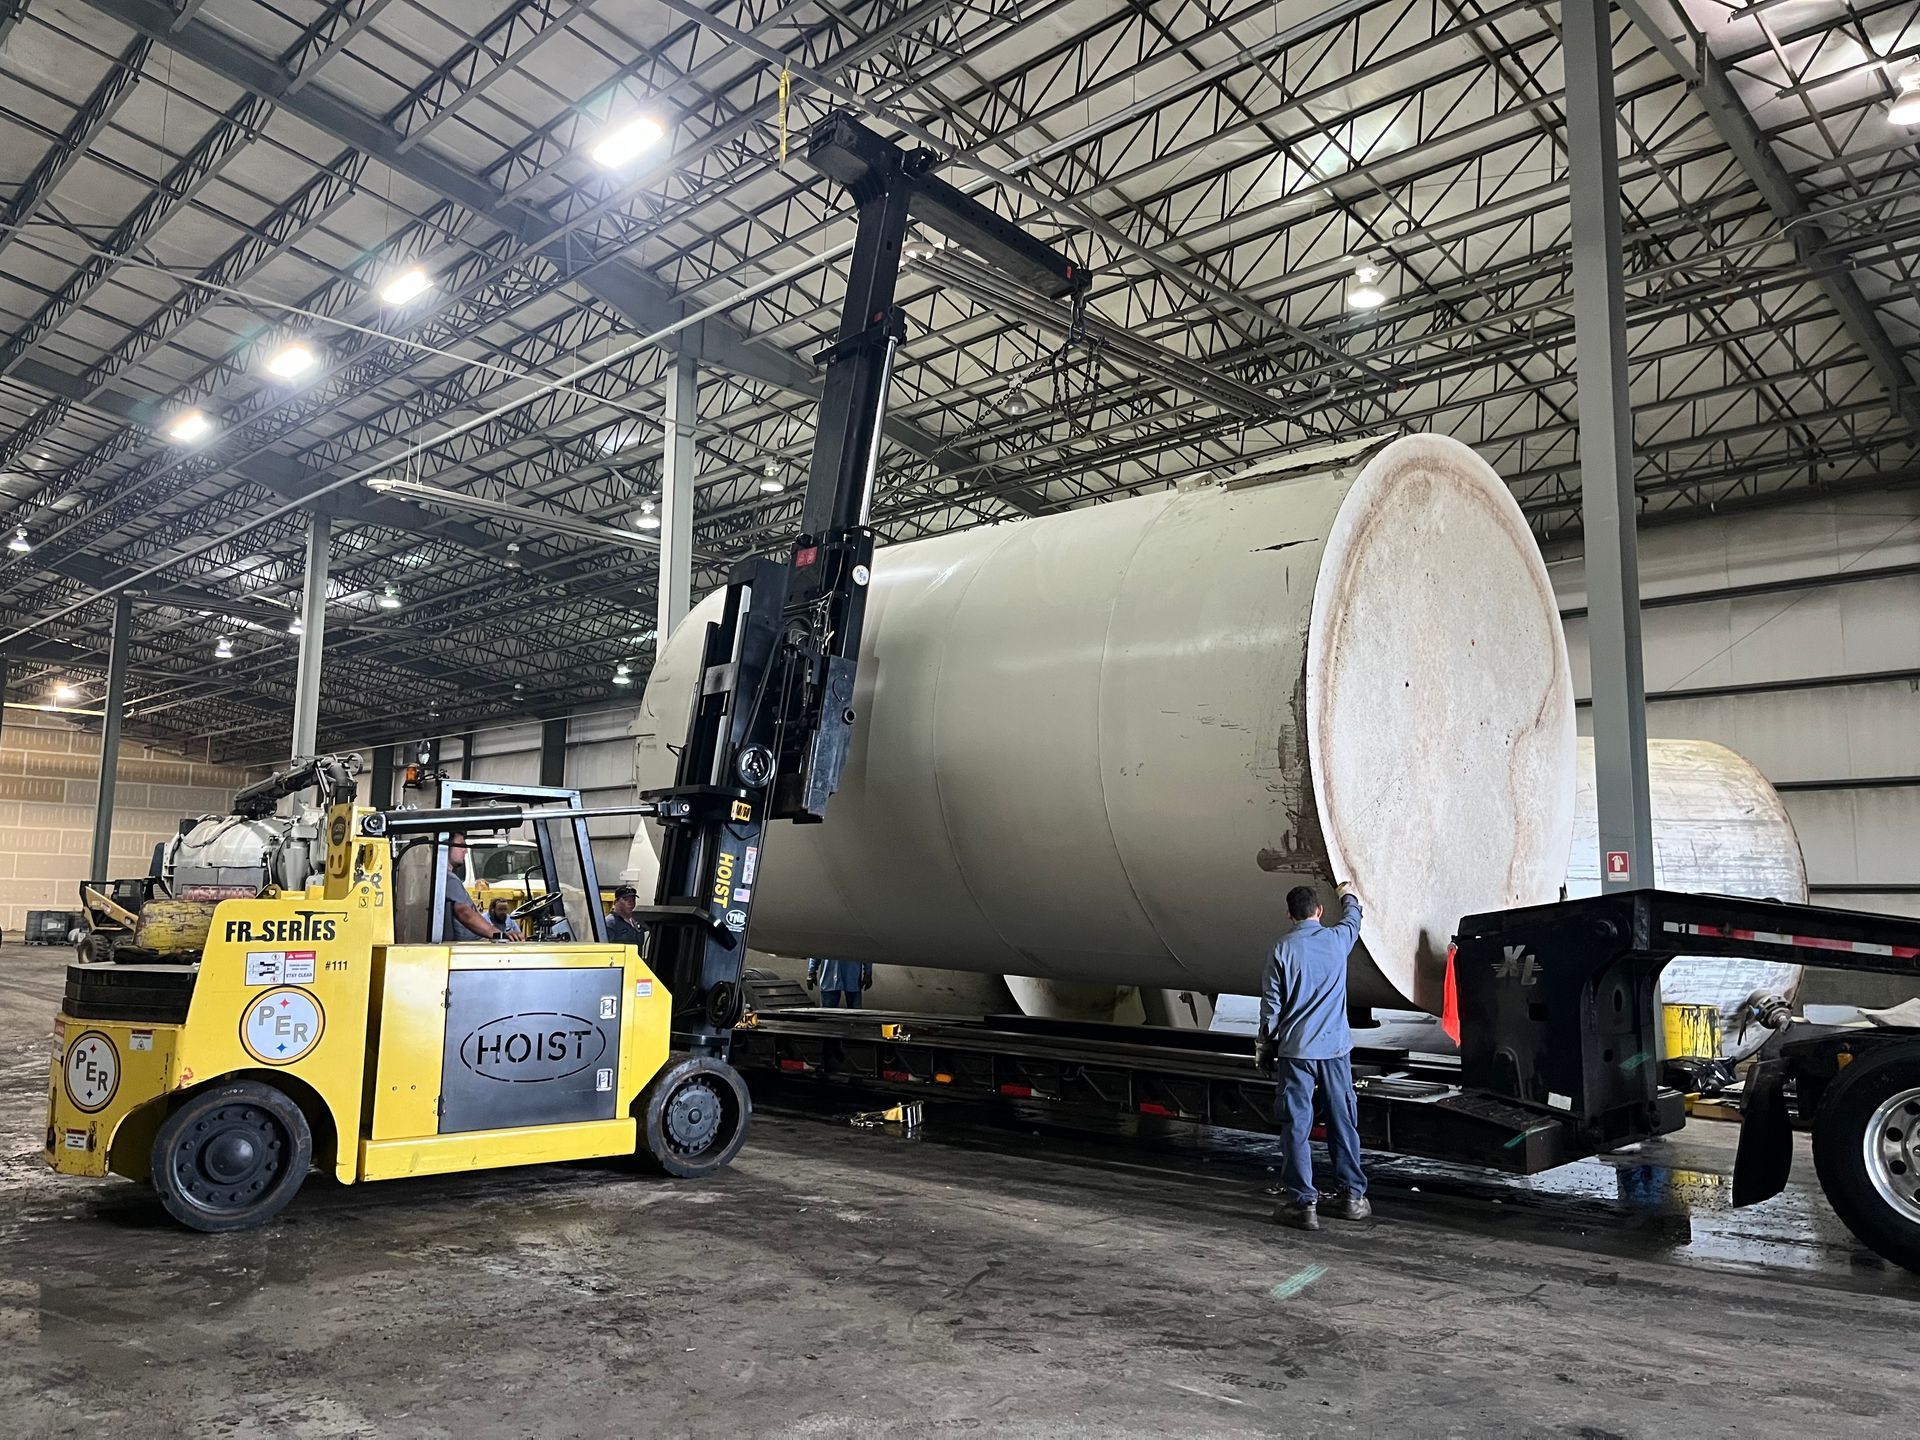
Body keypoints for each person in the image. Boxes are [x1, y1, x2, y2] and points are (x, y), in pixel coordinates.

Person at [1257, 881, 1369, 1231]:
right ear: (1318, 912)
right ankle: (1351, 1196)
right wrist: (1347, 892)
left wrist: (1264, 1044)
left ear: (1290, 916)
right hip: (1335, 1051)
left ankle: (1303, 1204)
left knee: (1296, 1125)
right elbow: (1354, 917)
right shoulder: (1338, 940)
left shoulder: (1282, 949)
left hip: (1297, 1052)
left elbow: (1271, 1007)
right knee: (1342, 1120)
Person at [444, 833, 512, 941]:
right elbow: (464, 912)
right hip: (467, 945)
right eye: (461, 845)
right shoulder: (448, 879)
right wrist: (498, 935)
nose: (465, 851)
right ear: (445, 847)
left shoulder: (448, 878)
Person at [806, 957, 873, 1008]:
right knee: (827, 1014)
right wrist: (811, 972)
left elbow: (864, 949)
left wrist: (868, 973)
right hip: (831, 975)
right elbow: (818, 948)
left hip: (851, 974)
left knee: (855, 1015)